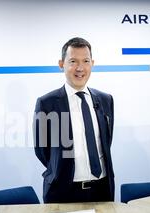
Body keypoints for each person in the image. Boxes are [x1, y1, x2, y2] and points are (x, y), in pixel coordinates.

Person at [33, 37, 115, 203]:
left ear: (92, 63)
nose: (80, 68)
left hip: (102, 190)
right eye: (73, 61)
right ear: (61, 64)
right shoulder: (47, 103)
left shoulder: (106, 100)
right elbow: (42, 151)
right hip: (63, 191)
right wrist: (60, 169)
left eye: (85, 61)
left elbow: (106, 143)